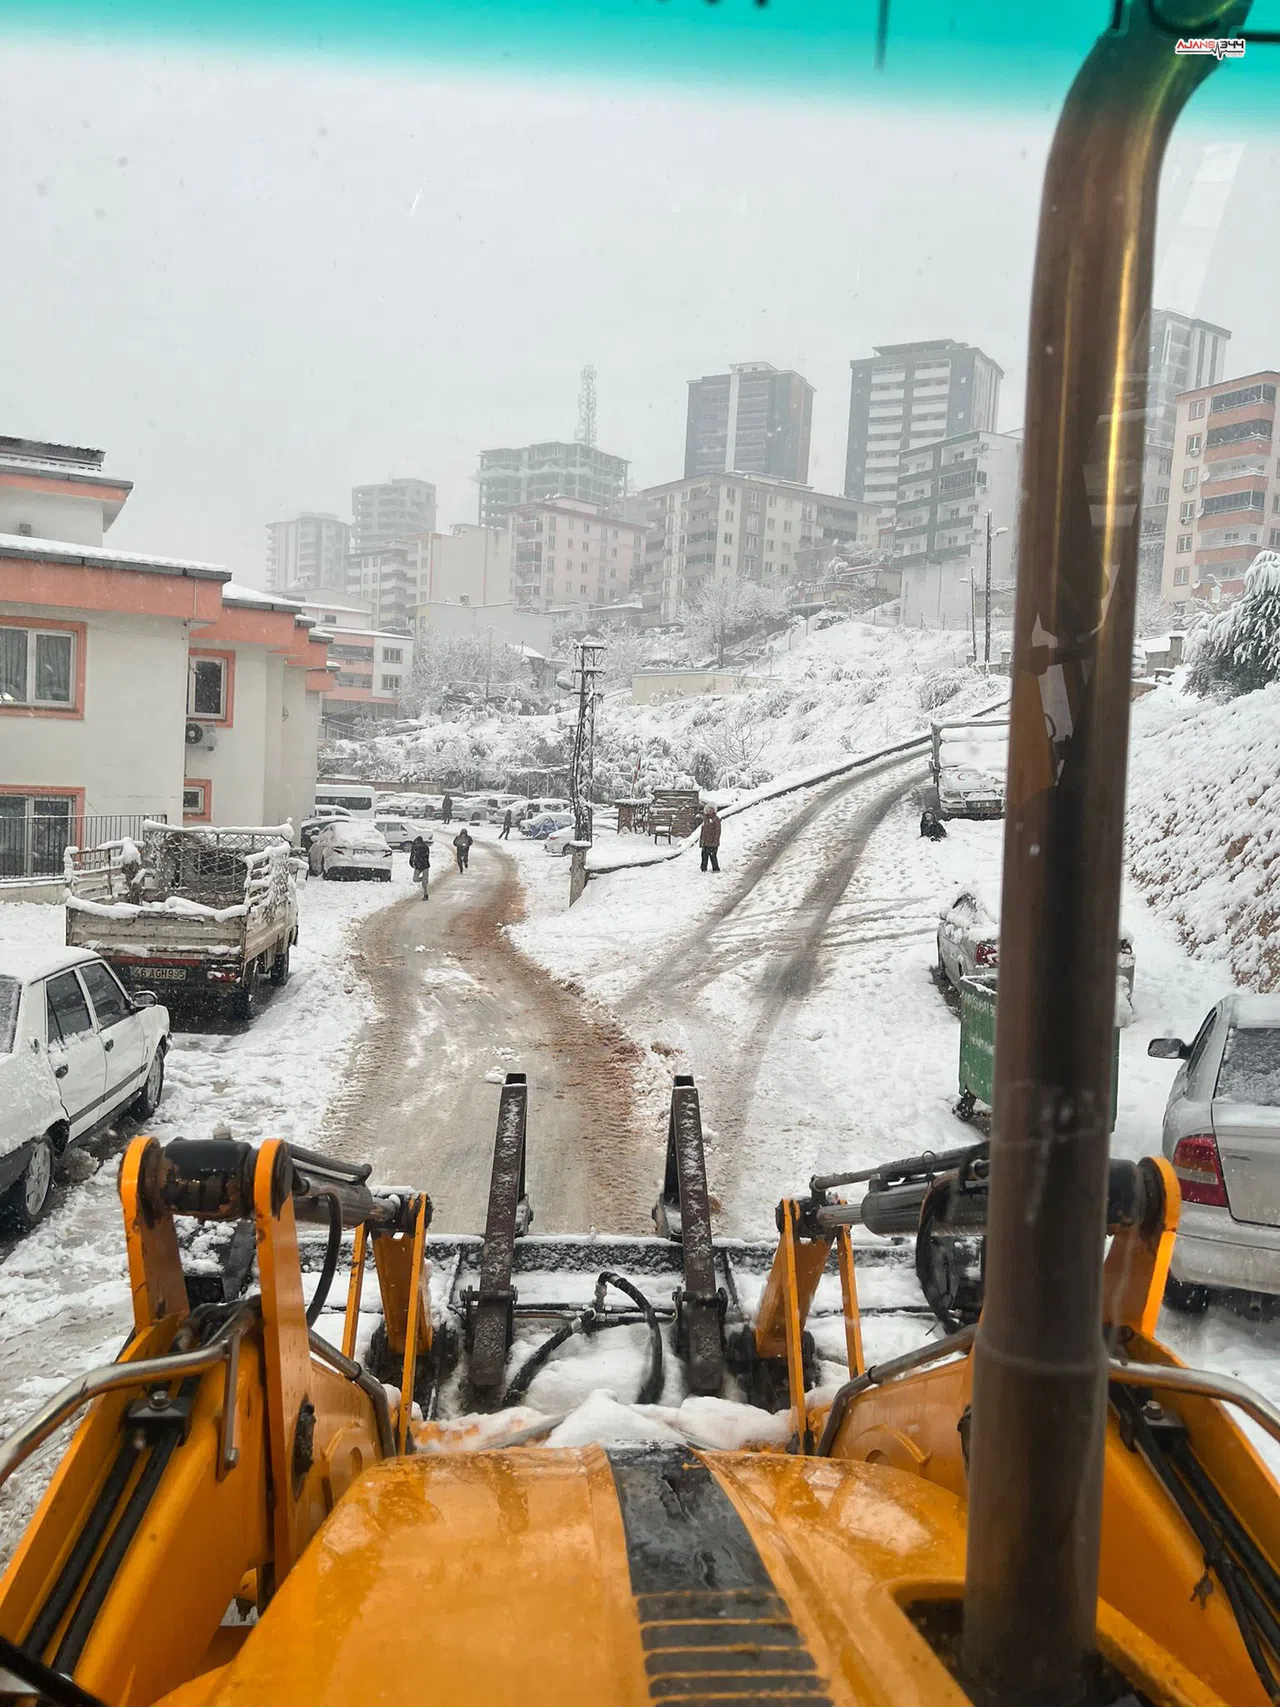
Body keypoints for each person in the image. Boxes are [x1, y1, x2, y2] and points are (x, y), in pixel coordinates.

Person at [699, 804, 722, 873]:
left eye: (711, 810)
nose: (709, 811)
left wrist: (715, 841)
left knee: (713, 856)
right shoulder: (705, 819)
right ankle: (703, 868)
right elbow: (703, 831)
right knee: (704, 855)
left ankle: (715, 868)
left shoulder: (716, 819)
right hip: (705, 842)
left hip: (712, 842)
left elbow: (718, 831)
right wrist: (702, 841)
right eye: (708, 810)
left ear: (713, 810)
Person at [409, 834, 431, 899]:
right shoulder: (415, 847)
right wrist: (412, 863)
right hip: (419, 866)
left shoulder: (424, 847)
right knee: (415, 879)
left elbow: (426, 856)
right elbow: (412, 856)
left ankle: (426, 895)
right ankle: (424, 879)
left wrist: (414, 862)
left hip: (424, 865)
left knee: (424, 883)